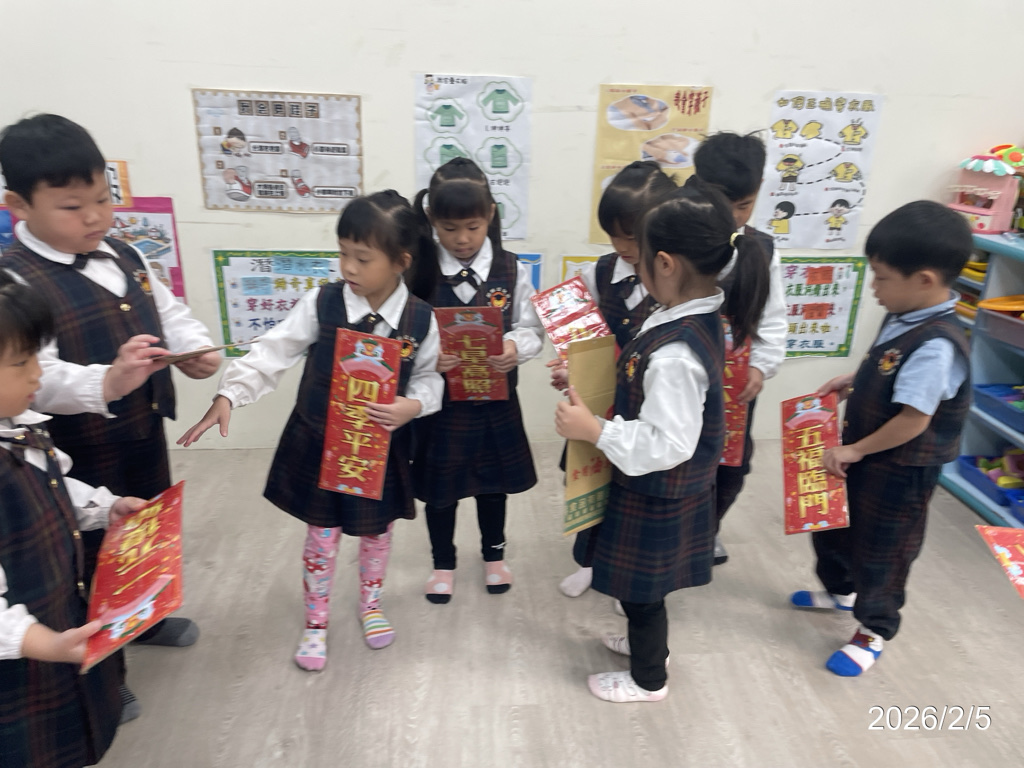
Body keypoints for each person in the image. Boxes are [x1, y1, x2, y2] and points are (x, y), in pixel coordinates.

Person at [0, 113, 219, 720]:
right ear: (18, 205)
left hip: (142, 430)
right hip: (74, 449)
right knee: (85, 558)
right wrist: (108, 381)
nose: (96, 217)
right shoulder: (13, 284)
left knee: (143, 529)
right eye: (73, 207)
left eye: (102, 198)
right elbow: (35, 377)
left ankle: (144, 618)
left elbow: (167, 311)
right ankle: (100, 663)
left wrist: (195, 348)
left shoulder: (125, 252)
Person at [179, 190, 442, 671]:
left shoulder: (421, 319)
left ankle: (371, 605)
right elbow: (272, 351)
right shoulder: (322, 303)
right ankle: (316, 621)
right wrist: (229, 394)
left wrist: (415, 404)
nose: (349, 267)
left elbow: (430, 377)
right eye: (343, 254)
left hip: (378, 452)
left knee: (377, 533)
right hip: (323, 444)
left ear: (401, 262)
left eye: (363, 258)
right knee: (322, 535)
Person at [554, 179, 765, 702]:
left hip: (658, 490)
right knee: (638, 589)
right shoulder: (690, 315)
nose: (634, 264)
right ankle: (642, 646)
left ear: (665, 263)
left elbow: (668, 443)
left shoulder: (676, 352)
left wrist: (594, 430)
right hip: (654, 487)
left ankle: (649, 680)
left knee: (643, 592)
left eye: (641, 256)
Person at [790, 201, 972, 677]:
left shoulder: (937, 345)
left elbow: (914, 419)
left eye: (881, 277)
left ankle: (874, 629)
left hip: (899, 473)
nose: (873, 287)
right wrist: (854, 381)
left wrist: (854, 449)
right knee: (834, 527)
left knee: (882, 552)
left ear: (924, 280)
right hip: (866, 456)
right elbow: (892, 370)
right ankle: (840, 592)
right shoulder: (906, 313)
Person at [0, 273, 147, 767]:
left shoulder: (20, 427)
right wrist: (44, 643)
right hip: (22, 652)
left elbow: (54, 486)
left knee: (71, 726)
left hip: (59, 621)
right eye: (21, 362)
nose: (37, 375)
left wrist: (106, 507)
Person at [409, 157, 543, 603]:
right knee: (440, 491)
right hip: (440, 408)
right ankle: (442, 562)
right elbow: (404, 333)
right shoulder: (419, 270)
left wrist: (515, 347)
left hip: (496, 404)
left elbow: (532, 327)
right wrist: (429, 358)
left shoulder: (511, 269)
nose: (462, 239)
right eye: (449, 228)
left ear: (490, 215)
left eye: (472, 226)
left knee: (493, 486)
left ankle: (493, 555)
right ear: (432, 220)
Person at [553, 161, 677, 599]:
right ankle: (590, 563)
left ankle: (629, 579)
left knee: (635, 496)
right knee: (589, 485)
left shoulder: (676, 283)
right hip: (600, 407)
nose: (622, 247)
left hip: (649, 412)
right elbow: (580, 340)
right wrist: (570, 368)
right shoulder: (600, 273)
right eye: (614, 236)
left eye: (632, 236)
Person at [692, 131, 787, 565]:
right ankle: (674, 531)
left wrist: (760, 368)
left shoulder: (762, 249)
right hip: (680, 371)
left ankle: (707, 529)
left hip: (735, 383)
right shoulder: (676, 231)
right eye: (721, 204)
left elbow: (773, 318)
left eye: (743, 206)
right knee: (675, 456)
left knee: (731, 464)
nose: (731, 217)